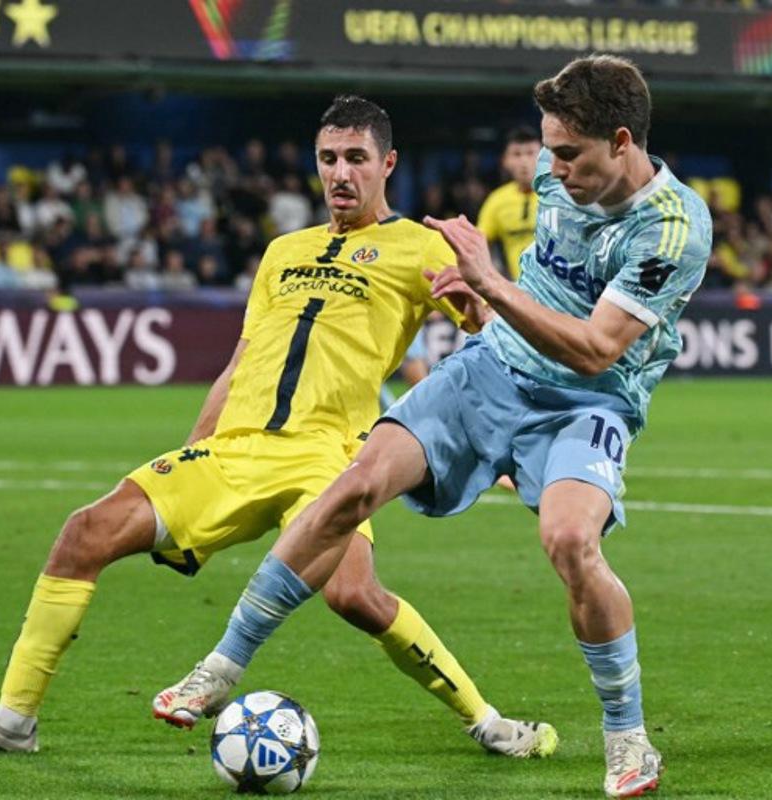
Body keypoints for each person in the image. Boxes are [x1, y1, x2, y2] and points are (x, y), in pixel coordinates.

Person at [0, 96, 556, 759]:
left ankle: (487, 721)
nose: (340, 174)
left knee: (354, 595)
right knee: (85, 532)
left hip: (329, 455)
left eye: (356, 159)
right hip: (235, 450)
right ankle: (12, 721)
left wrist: (480, 309)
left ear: (387, 163)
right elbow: (240, 361)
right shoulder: (284, 250)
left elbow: (500, 342)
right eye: (328, 159)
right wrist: (196, 450)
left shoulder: (421, 246)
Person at [159, 56, 711, 798]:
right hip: (489, 373)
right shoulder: (554, 177)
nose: (548, 168)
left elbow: (596, 349)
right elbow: (510, 297)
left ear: (621, 142)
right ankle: (220, 668)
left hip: (589, 399)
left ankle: (628, 737)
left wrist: (488, 282)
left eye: (567, 153)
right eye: (546, 148)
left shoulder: (672, 228)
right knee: (352, 488)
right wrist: (479, 294)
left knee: (572, 542)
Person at [477, 126, 543, 281]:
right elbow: (478, 243)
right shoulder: (496, 201)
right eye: (517, 154)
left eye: (530, 153)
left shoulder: (560, 195)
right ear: (504, 161)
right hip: (518, 290)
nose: (524, 161)